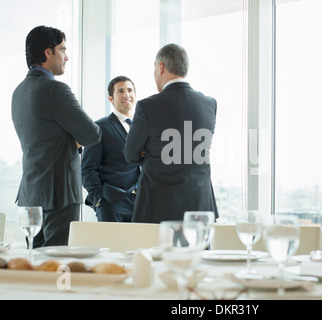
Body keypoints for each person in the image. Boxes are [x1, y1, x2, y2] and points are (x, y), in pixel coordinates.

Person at [11, 26, 102, 247]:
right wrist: (72, 138)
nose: (67, 56)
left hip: (30, 193)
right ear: (47, 52)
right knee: (57, 265)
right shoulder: (55, 89)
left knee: (36, 263)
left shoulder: (18, 91)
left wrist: (67, 137)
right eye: (62, 49)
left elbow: (41, 137)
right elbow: (92, 134)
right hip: (58, 193)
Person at [125, 43, 218, 223]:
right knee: (198, 251)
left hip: (160, 207)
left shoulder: (147, 106)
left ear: (161, 67)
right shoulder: (210, 104)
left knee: (156, 252)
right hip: (200, 206)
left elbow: (130, 154)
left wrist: (151, 152)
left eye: (154, 68)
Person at [82, 76, 141, 222]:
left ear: (135, 95)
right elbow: (87, 168)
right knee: (113, 245)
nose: (126, 95)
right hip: (112, 203)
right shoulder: (100, 127)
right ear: (111, 98)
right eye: (120, 91)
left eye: (130, 90)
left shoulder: (141, 128)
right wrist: (99, 199)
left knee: (140, 245)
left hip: (140, 202)